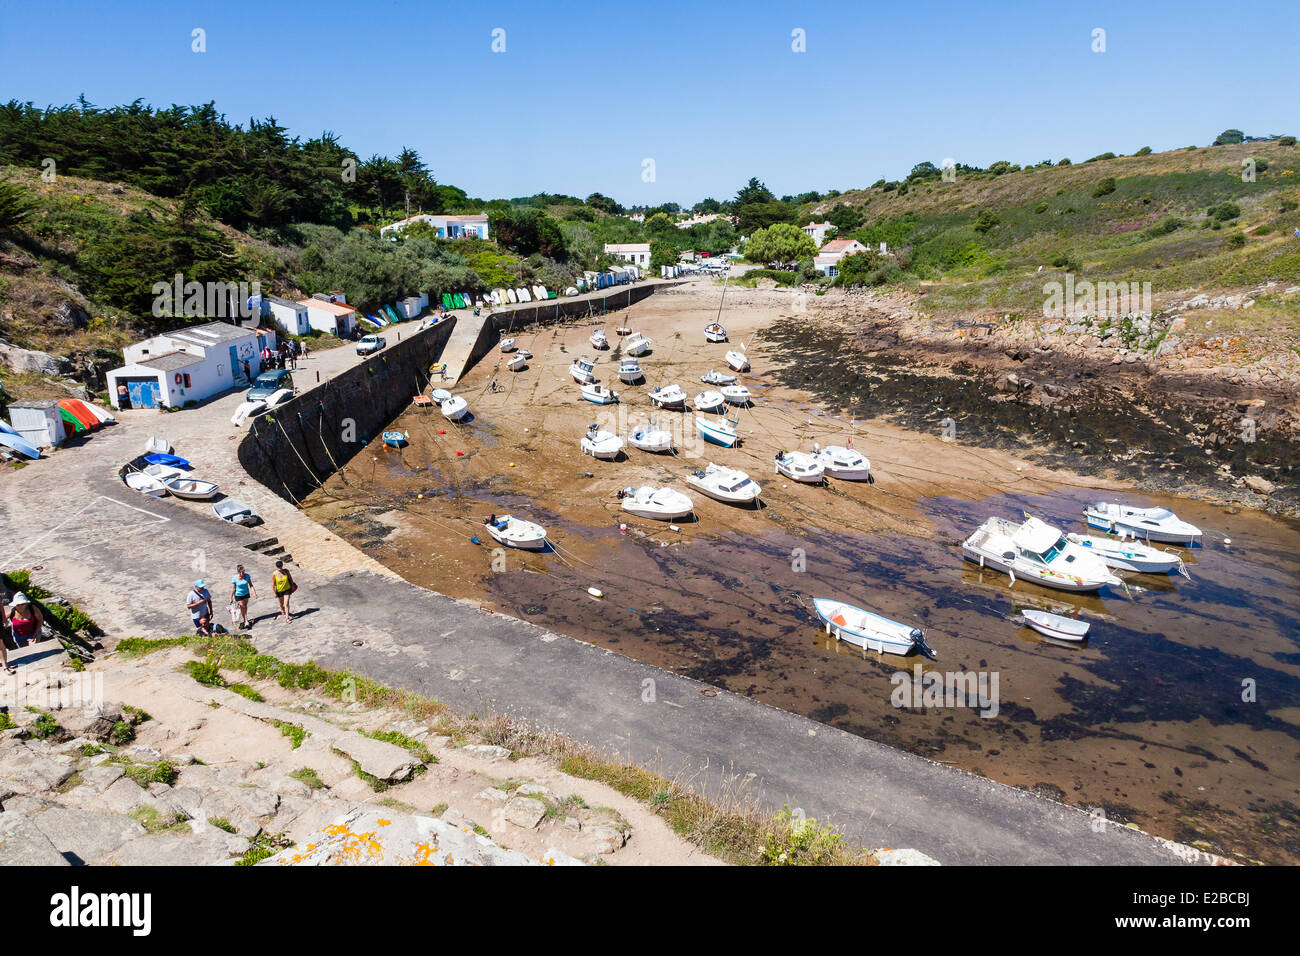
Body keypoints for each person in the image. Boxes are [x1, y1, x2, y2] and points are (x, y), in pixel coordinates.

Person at [229, 565, 257, 631]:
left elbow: (251, 585)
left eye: (243, 572)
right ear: (238, 572)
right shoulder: (234, 578)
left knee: (245, 606)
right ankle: (246, 620)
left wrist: (254, 593)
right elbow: (233, 589)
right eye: (241, 572)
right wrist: (231, 597)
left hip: (246, 594)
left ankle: (245, 618)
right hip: (238, 595)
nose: (242, 574)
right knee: (242, 606)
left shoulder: (247, 576)